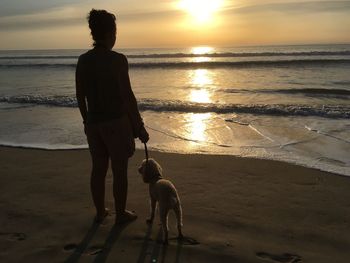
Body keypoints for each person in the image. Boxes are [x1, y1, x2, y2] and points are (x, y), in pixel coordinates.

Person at [75, 9, 149, 224]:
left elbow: (80, 96)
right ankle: (120, 213)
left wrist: (85, 120)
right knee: (119, 170)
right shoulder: (117, 60)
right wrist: (139, 126)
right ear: (111, 33)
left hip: (93, 123)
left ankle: (100, 212)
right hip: (116, 122)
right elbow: (127, 96)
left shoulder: (83, 60)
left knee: (98, 169)